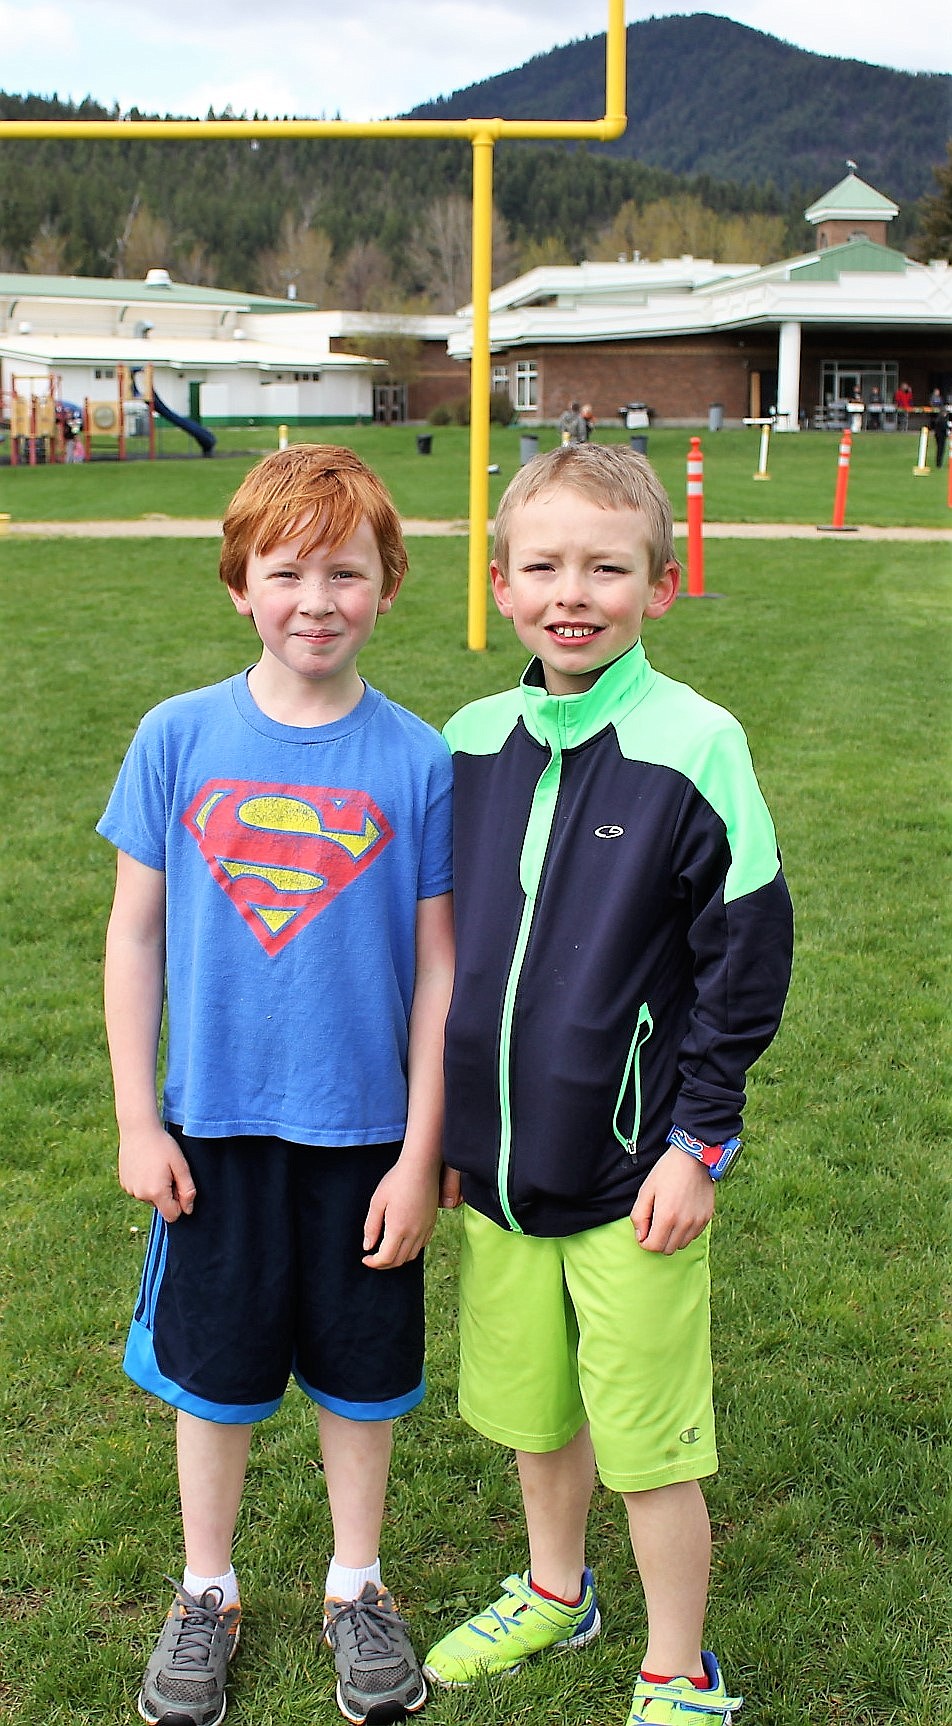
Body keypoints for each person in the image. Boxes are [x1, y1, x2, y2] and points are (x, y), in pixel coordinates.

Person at [423, 444, 793, 1726]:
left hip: (635, 1171)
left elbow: (744, 959)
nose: (571, 591)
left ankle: (679, 1663)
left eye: (605, 565)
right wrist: (442, 1138)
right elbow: (441, 957)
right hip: (501, 1175)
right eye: (542, 565)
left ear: (660, 582)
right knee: (538, 1412)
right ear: (501, 583)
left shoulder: (698, 743)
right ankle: (553, 1589)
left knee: (647, 1438)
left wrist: (700, 1140)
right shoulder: (471, 741)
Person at [98, 444, 455, 1726]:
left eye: (345, 572)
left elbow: (438, 975)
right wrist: (142, 1117)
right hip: (215, 1132)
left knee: (362, 1377)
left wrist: (423, 1151)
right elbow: (134, 935)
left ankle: (355, 1585)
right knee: (219, 1374)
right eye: (287, 571)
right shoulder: (176, 736)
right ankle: (207, 1591)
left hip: (367, 1138)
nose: (317, 598)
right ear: (239, 583)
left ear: (386, 585)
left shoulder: (418, 762)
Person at [929, 388, 950, 468]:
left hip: (938, 435)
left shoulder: (939, 419)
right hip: (941, 436)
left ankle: (938, 463)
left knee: (939, 449)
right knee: (940, 450)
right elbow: (945, 426)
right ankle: (939, 464)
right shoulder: (942, 419)